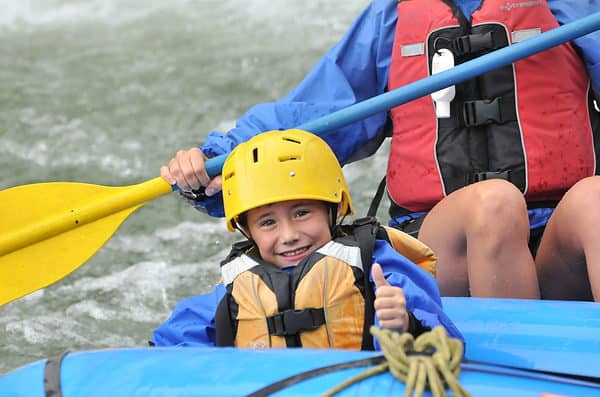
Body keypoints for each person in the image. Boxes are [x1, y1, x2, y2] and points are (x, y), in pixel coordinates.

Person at [161, 0, 600, 301]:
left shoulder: (576, 7)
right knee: (495, 204)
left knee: (596, 199)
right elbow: (310, 117)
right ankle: (514, 370)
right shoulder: (391, 17)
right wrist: (221, 161)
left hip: (556, 250)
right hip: (441, 252)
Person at [153, 129, 462, 348]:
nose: (289, 235)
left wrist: (404, 323)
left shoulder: (377, 266)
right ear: (246, 231)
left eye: (302, 213)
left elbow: (441, 335)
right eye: (268, 222)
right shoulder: (237, 285)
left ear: (335, 207)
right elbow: (171, 343)